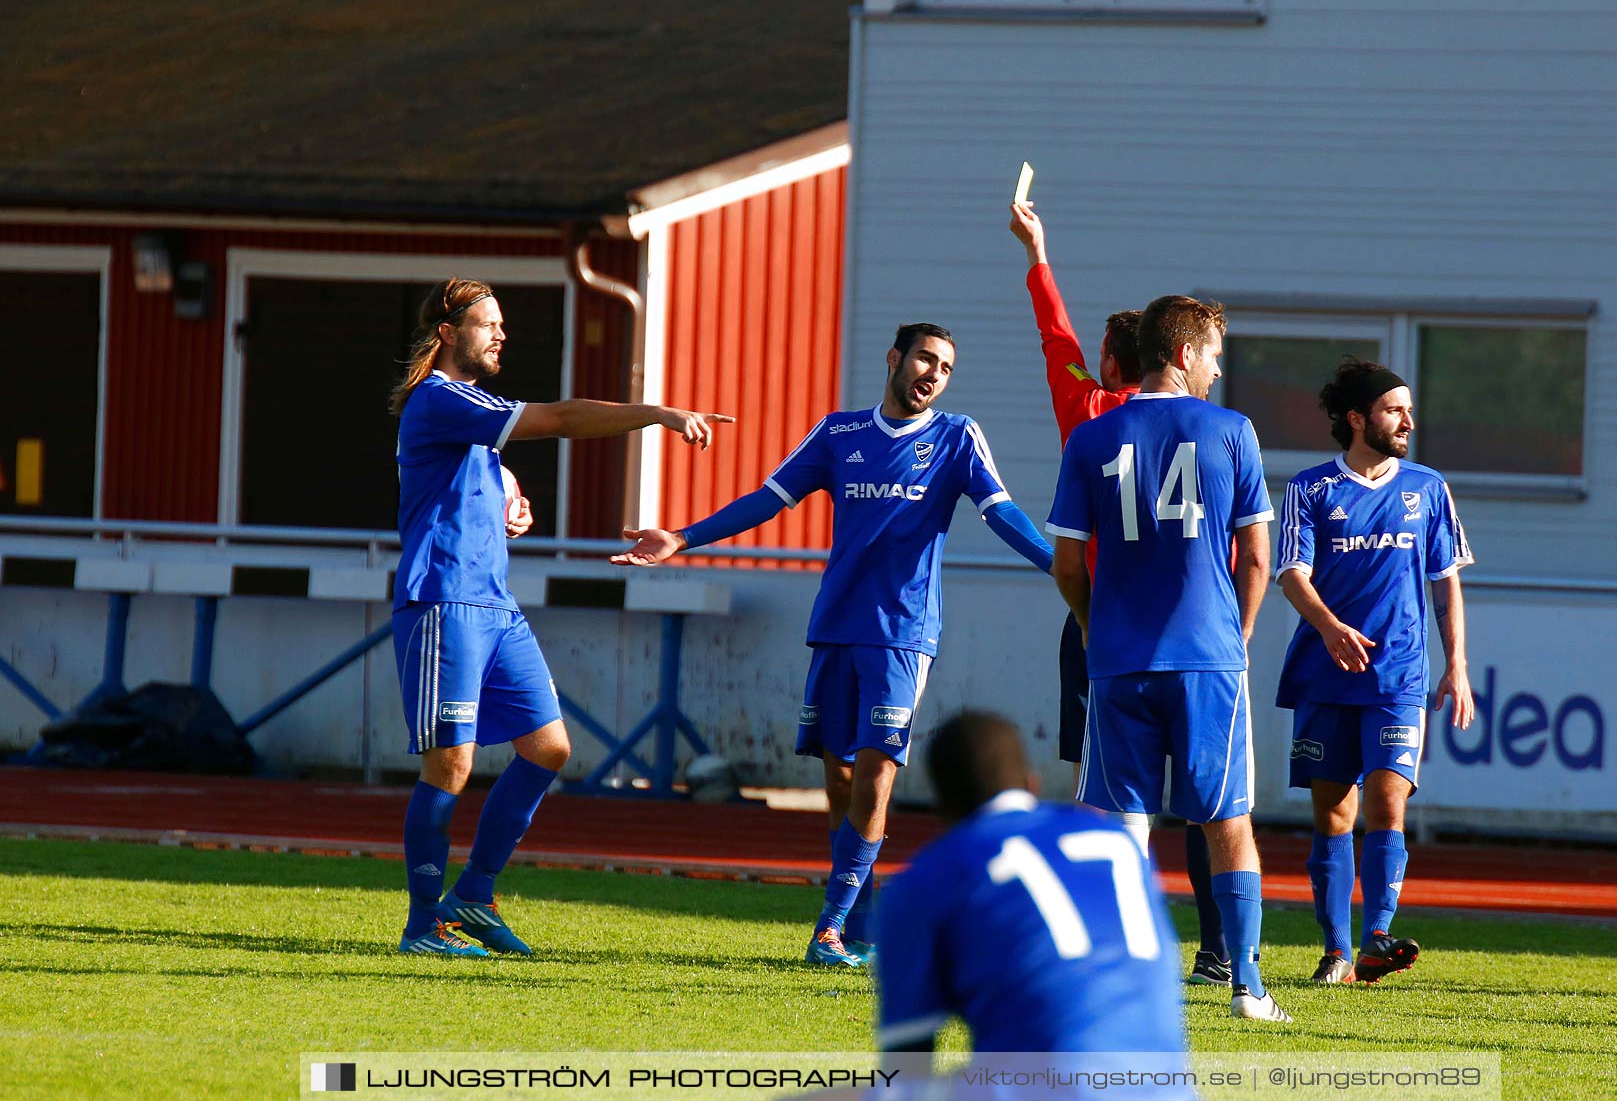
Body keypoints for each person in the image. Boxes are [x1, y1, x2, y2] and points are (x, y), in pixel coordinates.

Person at [611, 323, 1054, 967]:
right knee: (841, 778)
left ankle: (828, 927)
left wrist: (1059, 566)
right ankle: (862, 926)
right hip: (836, 626)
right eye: (925, 359)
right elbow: (767, 500)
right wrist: (684, 537)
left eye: (946, 367)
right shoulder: (838, 433)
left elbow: (1001, 511)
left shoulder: (957, 437)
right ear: (894, 357)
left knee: (877, 775)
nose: (934, 373)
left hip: (902, 632)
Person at [388, 277, 732, 957]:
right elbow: (565, 420)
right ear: (450, 334)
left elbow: (468, 491)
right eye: (488, 323)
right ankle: (424, 926)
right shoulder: (440, 397)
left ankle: (475, 896)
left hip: (493, 604)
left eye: (503, 323)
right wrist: (656, 413)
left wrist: (505, 507)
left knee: (549, 748)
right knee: (450, 765)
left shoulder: (473, 411)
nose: (501, 334)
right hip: (444, 602)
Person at [1044, 294, 1290, 1022]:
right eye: (1214, 352)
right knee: (1227, 822)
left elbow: (1065, 564)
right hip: (1208, 657)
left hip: (1120, 659)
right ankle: (1246, 984)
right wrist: (1238, 635)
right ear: (1182, 354)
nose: (1218, 366)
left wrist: (1092, 626)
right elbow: (1256, 556)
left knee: (1113, 822)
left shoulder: (1091, 437)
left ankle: (1107, 982)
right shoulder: (1232, 431)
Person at [1008, 203, 1232, 988]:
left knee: (1104, 795)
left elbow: (1055, 340)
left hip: (1106, 623)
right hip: (1200, 630)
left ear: (1117, 361)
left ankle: (1103, 944)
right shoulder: (1213, 427)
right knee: (1213, 803)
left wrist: (1039, 254)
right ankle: (1221, 951)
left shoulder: (1091, 416)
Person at [1271, 358, 1473, 987]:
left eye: (1409, 409)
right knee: (1334, 816)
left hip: (1400, 678)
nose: (1408, 420)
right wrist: (1331, 628)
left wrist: (1456, 666)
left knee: (1388, 805)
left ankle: (1377, 939)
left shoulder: (1427, 487)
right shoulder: (1309, 490)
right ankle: (1335, 951)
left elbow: (1447, 583)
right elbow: (1290, 575)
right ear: (1357, 418)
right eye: (1394, 409)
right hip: (1327, 675)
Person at [873, 711, 1191, 1092]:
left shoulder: (928, 877)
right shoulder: (1115, 840)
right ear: (1032, 784)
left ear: (942, 812)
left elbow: (906, 1070)